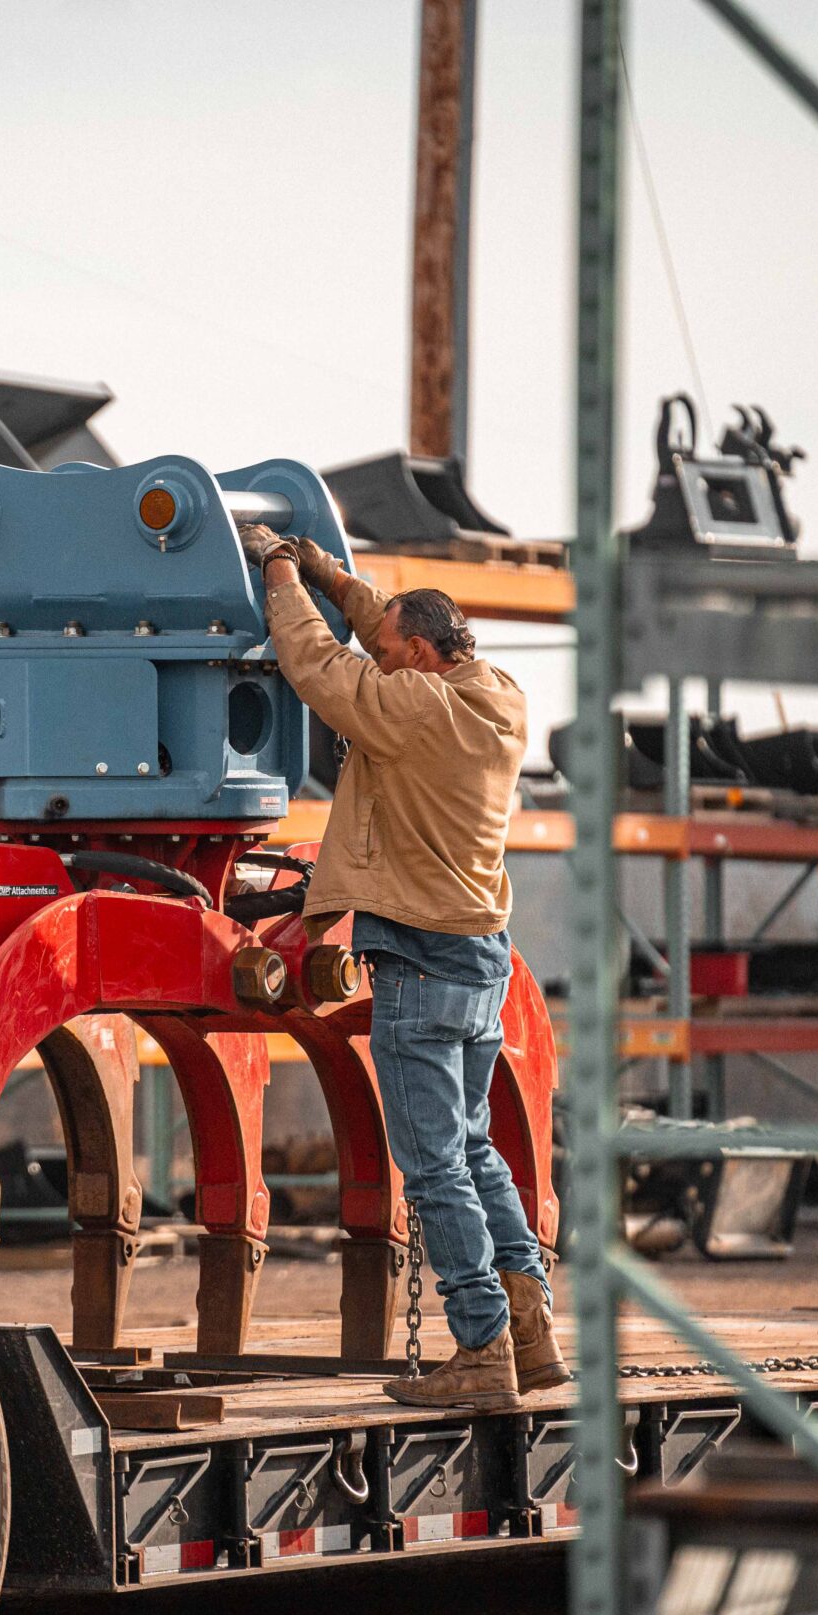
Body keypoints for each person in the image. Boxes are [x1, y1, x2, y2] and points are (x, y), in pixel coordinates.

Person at [239, 522, 565, 1411]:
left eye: (388, 653)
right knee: (473, 1145)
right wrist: (329, 573)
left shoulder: (413, 708)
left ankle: (481, 1348)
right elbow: (386, 625)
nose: (376, 659)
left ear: (419, 657)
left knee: (432, 1166)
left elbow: (319, 668)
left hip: (418, 960)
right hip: (479, 957)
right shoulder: (495, 694)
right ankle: (532, 1333)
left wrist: (280, 574)